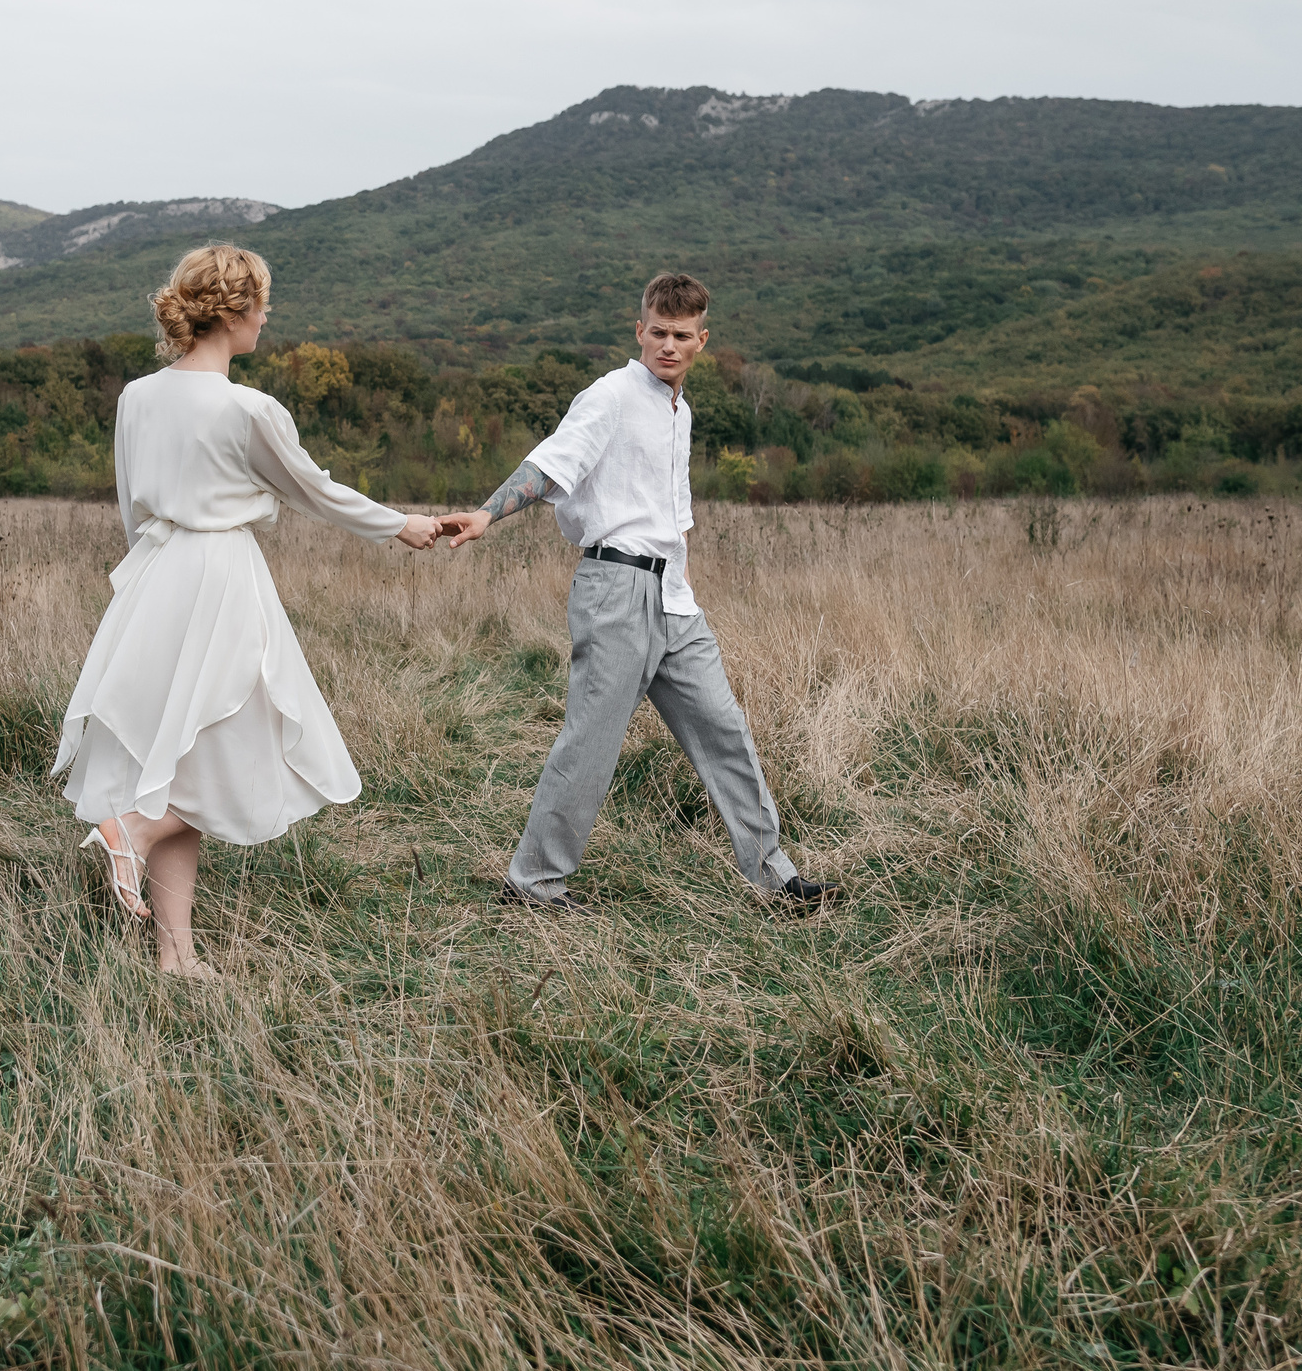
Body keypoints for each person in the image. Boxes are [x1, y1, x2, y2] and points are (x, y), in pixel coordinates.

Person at [55, 244, 440, 976]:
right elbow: (315, 490)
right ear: (233, 311)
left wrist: (149, 582)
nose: (268, 315)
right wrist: (403, 524)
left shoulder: (137, 395)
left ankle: (176, 953)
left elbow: (129, 500)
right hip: (220, 579)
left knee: (184, 754)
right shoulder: (249, 408)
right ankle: (129, 831)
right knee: (225, 753)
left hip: (154, 577)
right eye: (262, 302)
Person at [439, 272, 840, 913]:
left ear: (702, 340)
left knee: (726, 732)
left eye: (683, 336)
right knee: (592, 741)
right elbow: (551, 463)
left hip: (673, 597)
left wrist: (677, 583)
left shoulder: (681, 411)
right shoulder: (611, 397)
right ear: (640, 331)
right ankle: (533, 885)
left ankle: (777, 881)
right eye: (658, 333)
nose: (669, 346)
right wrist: (488, 514)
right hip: (615, 589)